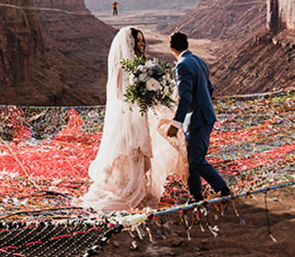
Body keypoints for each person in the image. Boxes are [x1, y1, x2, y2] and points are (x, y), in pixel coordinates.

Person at [75, 27, 187, 211]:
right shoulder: (121, 67)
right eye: (139, 41)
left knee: (141, 156)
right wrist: (141, 96)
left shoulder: (140, 67)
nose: (142, 44)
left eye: (143, 41)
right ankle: (126, 189)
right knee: (130, 153)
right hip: (128, 120)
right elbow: (119, 96)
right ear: (130, 43)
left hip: (140, 118)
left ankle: (139, 187)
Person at [167, 32, 230, 203]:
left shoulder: (182, 66)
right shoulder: (198, 60)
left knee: (195, 160)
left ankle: (223, 189)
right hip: (203, 115)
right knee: (191, 159)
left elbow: (185, 98)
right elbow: (209, 88)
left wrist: (176, 122)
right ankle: (195, 194)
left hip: (197, 119)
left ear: (171, 47)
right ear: (187, 45)